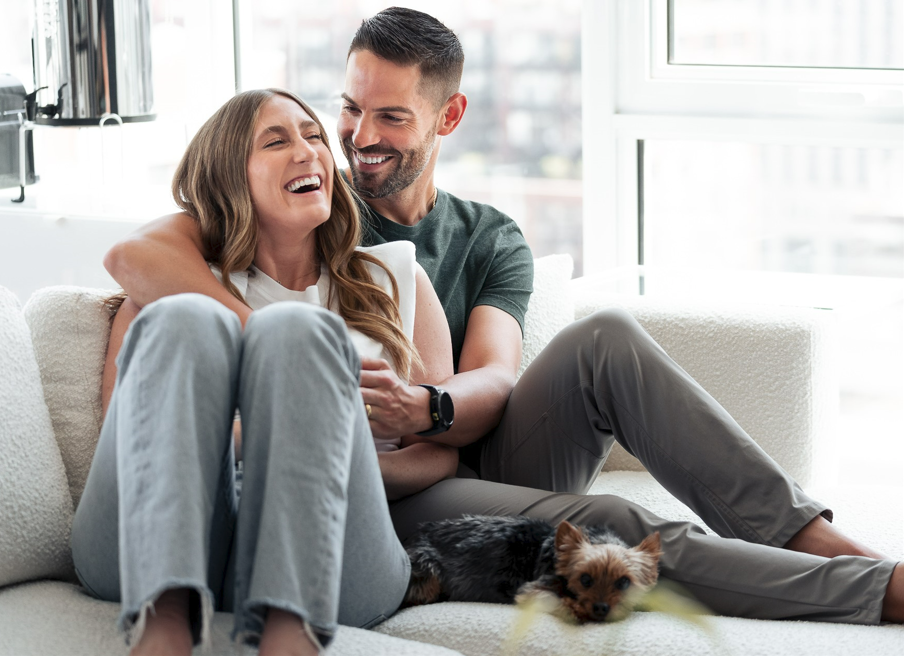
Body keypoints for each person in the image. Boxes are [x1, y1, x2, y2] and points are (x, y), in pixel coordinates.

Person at [104, 8, 903, 624]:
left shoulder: (456, 244)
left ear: (446, 119)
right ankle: (867, 588)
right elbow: (143, 258)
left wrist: (429, 407)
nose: (353, 140)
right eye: (347, 111)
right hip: (373, 481)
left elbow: (492, 377)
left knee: (607, 338)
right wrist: (288, 381)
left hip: (467, 459)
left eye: (388, 117)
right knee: (616, 520)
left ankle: (814, 541)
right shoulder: (308, 207)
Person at [71, 88, 458, 656]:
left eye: (314, 137)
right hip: (164, 535)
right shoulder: (174, 290)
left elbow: (440, 453)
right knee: (211, 321)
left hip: (338, 541)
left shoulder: (397, 277)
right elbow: (135, 439)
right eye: (276, 141)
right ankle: (164, 622)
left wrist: (335, 452)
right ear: (231, 177)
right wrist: (288, 421)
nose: (308, 151)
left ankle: (289, 632)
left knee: (300, 333)